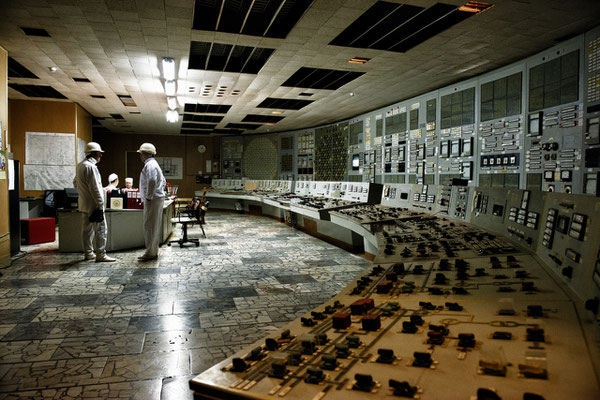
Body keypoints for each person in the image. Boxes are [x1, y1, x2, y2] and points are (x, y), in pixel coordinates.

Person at [73, 142, 116, 262]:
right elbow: (95, 188)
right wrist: (100, 204)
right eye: (100, 154)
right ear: (95, 153)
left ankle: (88, 253)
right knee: (101, 229)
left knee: (86, 230)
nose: (101, 156)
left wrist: (83, 193)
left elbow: (75, 183)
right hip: (94, 205)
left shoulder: (80, 165)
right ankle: (101, 254)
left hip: (83, 203)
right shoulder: (91, 167)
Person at [137, 143, 166, 261]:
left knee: (150, 226)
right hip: (156, 198)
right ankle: (152, 251)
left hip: (153, 199)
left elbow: (153, 180)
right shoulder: (154, 164)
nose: (140, 156)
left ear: (146, 154)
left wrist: (149, 197)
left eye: (141, 154)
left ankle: (150, 252)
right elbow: (163, 181)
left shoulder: (150, 165)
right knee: (153, 226)